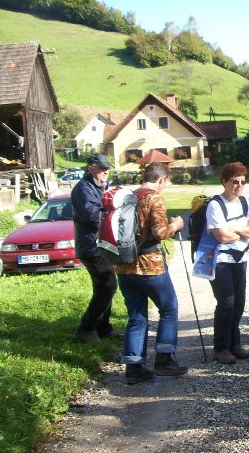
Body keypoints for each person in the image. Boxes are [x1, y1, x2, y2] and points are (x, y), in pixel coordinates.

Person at [116, 162, 188, 384]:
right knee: (169, 308)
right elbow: (160, 232)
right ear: (161, 179)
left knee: (137, 315)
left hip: (124, 265)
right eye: (166, 183)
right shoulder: (153, 198)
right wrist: (176, 224)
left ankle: (133, 368)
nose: (165, 187)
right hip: (150, 265)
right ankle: (165, 360)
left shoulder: (126, 197)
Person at [206, 162, 249, 364]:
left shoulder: (245, 203)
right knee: (226, 302)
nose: (239, 186)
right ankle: (220, 347)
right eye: (234, 182)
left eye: (242, 182)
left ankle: (234, 343)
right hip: (220, 260)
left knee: (239, 303)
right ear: (224, 182)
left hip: (240, 258)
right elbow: (221, 236)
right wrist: (243, 229)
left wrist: (235, 230)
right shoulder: (215, 205)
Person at [71, 153, 119, 343]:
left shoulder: (97, 187)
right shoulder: (84, 189)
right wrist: (115, 212)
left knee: (104, 286)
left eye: (107, 168)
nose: (106, 171)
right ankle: (86, 329)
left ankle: (103, 328)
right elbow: (92, 218)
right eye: (102, 167)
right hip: (91, 247)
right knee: (108, 286)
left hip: (100, 245)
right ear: (90, 167)